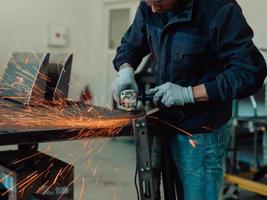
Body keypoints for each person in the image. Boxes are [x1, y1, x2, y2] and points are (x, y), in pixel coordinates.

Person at [111, 0, 267, 199]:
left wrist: (189, 94)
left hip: (200, 133)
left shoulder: (219, 10)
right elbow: (130, 45)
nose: (152, 9)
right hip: (165, 123)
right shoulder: (150, 5)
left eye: (158, 2)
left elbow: (249, 72)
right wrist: (125, 72)